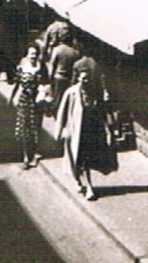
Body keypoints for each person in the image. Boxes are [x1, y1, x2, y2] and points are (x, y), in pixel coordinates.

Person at [54, 64, 117, 199]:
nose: (85, 81)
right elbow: (62, 113)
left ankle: (86, 184)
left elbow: (101, 112)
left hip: (89, 131)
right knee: (77, 159)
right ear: (78, 79)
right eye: (82, 79)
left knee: (85, 160)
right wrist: (60, 130)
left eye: (87, 79)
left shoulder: (94, 93)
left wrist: (108, 130)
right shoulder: (71, 93)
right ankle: (85, 185)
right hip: (74, 132)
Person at [10, 41, 45, 170]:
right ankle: (26, 156)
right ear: (27, 54)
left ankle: (35, 153)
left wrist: (42, 93)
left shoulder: (41, 67)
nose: (33, 56)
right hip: (24, 101)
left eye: (35, 54)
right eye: (31, 54)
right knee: (24, 129)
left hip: (36, 102)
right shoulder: (22, 67)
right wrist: (12, 97)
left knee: (36, 127)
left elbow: (46, 84)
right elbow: (17, 83)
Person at [45, 26, 79, 113]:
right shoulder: (75, 53)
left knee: (57, 98)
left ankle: (55, 113)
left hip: (58, 77)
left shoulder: (57, 50)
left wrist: (50, 78)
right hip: (68, 78)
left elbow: (52, 65)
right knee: (65, 98)